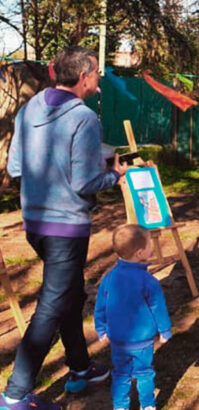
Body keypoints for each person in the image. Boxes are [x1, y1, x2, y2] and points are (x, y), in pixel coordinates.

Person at [3, 46, 127, 409]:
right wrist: (113, 174)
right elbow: (84, 181)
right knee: (53, 304)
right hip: (66, 229)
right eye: (98, 74)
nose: (99, 80)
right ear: (85, 76)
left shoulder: (29, 110)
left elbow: (16, 169)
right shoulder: (85, 119)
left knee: (70, 294)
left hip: (35, 224)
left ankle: (80, 368)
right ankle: (15, 393)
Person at [95, 225, 171, 410]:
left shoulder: (109, 278)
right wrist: (165, 330)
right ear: (139, 253)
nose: (152, 248)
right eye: (149, 245)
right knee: (144, 373)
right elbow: (158, 307)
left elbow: (100, 306)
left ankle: (120, 406)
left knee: (121, 375)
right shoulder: (148, 281)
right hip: (143, 341)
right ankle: (148, 406)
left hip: (118, 341)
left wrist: (101, 328)